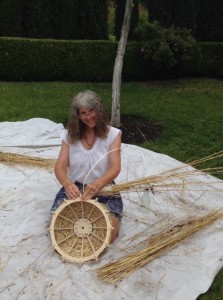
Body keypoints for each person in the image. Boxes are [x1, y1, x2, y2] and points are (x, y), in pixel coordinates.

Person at [51, 90, 123, 242]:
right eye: (83, 113)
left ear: (99, 110)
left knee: (106, 235)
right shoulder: (69, 135)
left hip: (104, 187)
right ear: (77, 115)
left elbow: (115, 168)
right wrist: (67, 183)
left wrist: (97, 184)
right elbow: (60, 167)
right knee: (61, 232)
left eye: (92, 111)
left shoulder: (113, 134)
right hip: (76, 189)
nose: (89, 117)